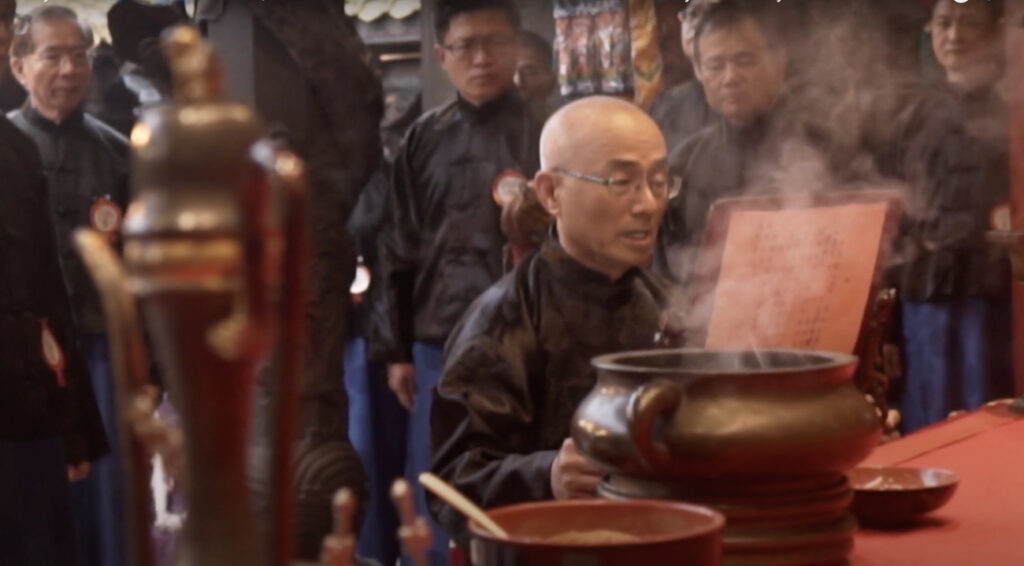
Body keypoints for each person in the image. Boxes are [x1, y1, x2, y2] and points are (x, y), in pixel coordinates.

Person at [429, 95, 678, 544]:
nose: (648, 204)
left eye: (659, 181)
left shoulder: (666, 304)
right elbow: (448, 484)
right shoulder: (502, 319)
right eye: (621, 182)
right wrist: (546, 476)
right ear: (550, 194)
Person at [374, 1, 542, 562]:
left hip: (527, 344)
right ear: (442, 57)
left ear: (517, 48)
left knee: (517, 487)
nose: (481, 57)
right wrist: (396, 349)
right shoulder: (420, 140)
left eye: (494, 42)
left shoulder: (548, 130)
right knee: (435, 487)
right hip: (436, 345)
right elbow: (396, 247)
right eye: (465, 46)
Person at [8, 6, 130, 566]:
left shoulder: (120, 152)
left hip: (103, 351)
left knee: (109, 499)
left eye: (78, 55)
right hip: (24, 358)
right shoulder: (10, 148)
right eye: (52, 55)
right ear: (19, 66)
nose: (67, 69)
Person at [896, 0, 1013, 432]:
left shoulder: (1012, 110)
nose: (954, 36)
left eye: (969, 23)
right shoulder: (914, 113)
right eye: (944, 23)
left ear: (998, 31)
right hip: (923, 291)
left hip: (988, 292)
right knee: (926, 416)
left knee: (985, 409)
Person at [657, 0, 790, 284]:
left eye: (745, 62)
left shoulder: (825, 146)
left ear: (779, 63)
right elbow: (667, 268)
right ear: (699, 72)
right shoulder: (683, 165)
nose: (730, 78)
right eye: (716, 65)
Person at [647, 0, 714, 153]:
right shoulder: (667, 104)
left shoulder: (751, 100)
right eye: (692, 14)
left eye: (706, 13)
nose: (694, 25)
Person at [514, 30, 558, 119]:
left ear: (551, 82)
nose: (517, 82)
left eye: (528, 73)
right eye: (508, 73)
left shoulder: (564, 128)